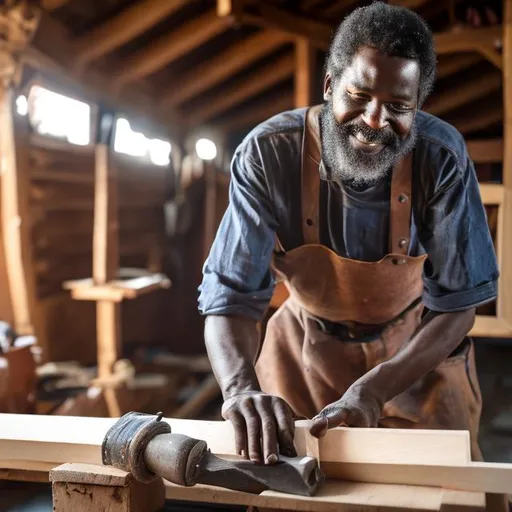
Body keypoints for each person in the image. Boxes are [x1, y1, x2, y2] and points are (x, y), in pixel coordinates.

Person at [198, 2, 499, 465]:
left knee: (447, 485)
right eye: (358, 96)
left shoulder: (441, 158)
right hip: (300, 347)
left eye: (398, 106)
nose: (375, 120)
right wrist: (239, 390)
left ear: (417, 107)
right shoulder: (268, 154)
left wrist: (375, 390)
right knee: (280, 479)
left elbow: (460, 305)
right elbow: (230, 295)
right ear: (329, 85)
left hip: (417, 349)